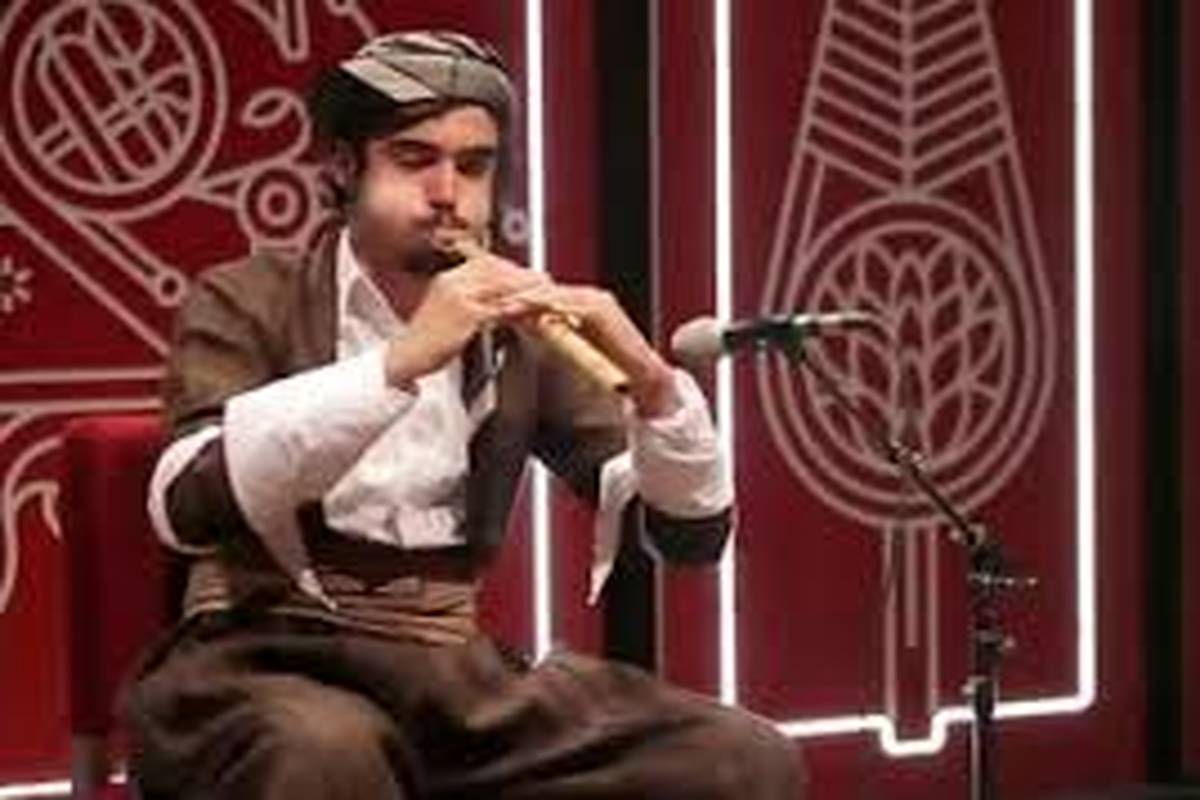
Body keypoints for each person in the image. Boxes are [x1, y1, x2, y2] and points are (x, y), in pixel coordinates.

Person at [126, 30, 804, 799]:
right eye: (414, 159)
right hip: (260, 659)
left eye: (474, 166)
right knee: (327, 753)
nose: (447, 192)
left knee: (737, 758)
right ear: (344, 168)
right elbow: (184, 503)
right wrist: (399, 363)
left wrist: (652, 388)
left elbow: (687, 536)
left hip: (446, 676)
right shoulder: (249, 296)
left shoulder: (517, 331)